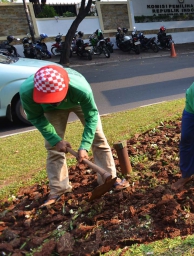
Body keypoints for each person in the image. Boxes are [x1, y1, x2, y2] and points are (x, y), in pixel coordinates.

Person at [19, 65, 128, 207]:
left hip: (76, 102)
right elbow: (36, 118)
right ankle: (58, 188)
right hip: (49, 111)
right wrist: (55, 140)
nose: (55, 103)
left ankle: (109, 179)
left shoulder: (80, 88)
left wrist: (84, 146)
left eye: (55, 99)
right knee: (53, 147)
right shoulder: (27, 93)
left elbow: (91, 117)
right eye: (50, 99)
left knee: (98, 138)